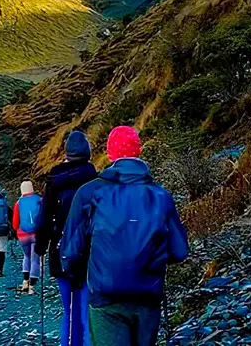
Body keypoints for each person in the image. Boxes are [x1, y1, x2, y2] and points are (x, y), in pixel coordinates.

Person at [60, 126, 189, 346]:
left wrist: (82, 273)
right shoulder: (160, 195)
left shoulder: (89, 193)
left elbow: (70, 253)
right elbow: (179, 251)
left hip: (106, 297)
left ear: (110, 155)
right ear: (138, 151)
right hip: (148, 296)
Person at [36, 131, 98, 346]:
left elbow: (44, 219)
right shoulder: (96, 180)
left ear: (67, 153)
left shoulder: (54, 182)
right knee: (86, 310)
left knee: (68, 311)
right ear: (88, 153)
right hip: (89, 254)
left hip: (60, 251)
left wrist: (41, 247)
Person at [13, 180, 43, 294]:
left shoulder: (18, 203)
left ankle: (25, 281)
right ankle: (32, 286)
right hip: (37, 234)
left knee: (26, 257)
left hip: (23, 235)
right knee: (35, 258)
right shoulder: (39, 200)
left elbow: (15, 223)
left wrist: (16, 230)